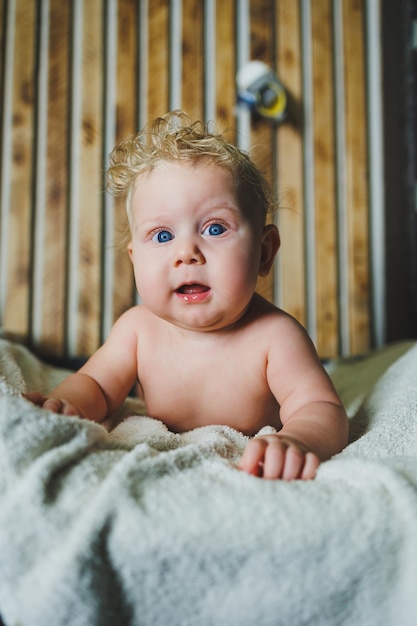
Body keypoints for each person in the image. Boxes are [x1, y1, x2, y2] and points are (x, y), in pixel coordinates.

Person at [25, 111, 349, 481]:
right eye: (162, 236)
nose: (186, 253)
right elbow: (97, 385)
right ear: (135, 259)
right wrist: (67, 405)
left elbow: (320, 407)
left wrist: (298, 439)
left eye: (214, 228)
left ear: (264, 252)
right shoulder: (137, 329)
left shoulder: (275, 335)